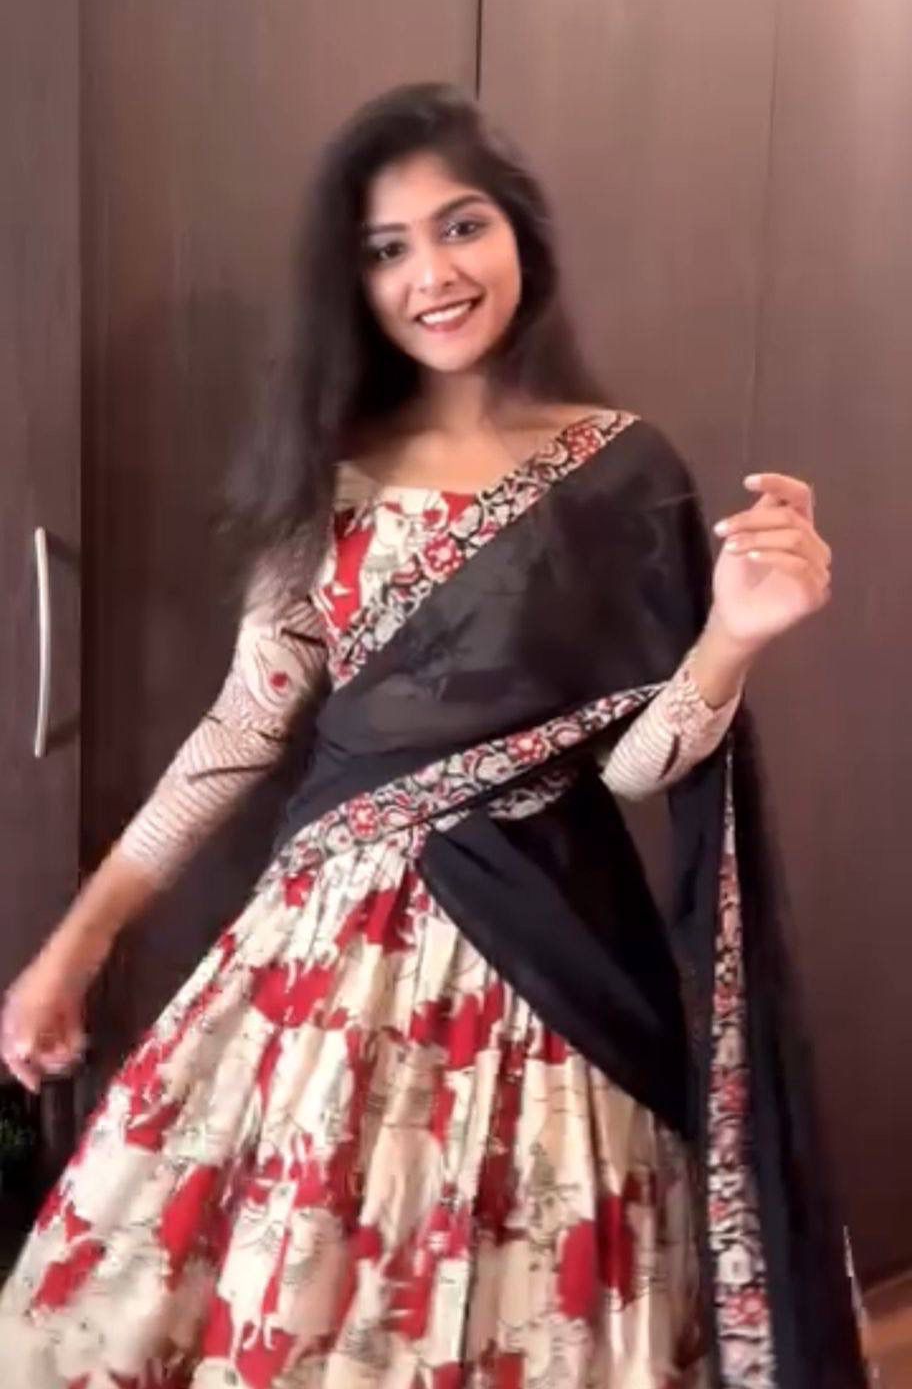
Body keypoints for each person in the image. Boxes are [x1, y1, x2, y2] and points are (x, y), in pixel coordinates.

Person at [0, 84, 867, 1387]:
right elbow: (244, 726)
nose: (434, 274)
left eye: (461, 227)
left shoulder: (623, 471)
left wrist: (733, 639)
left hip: (551, 964)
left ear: (519, 233)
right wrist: (76, 944)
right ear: (352, 282)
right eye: (387, 248)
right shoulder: (325, 474)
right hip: (317, 982)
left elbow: (635, 767)